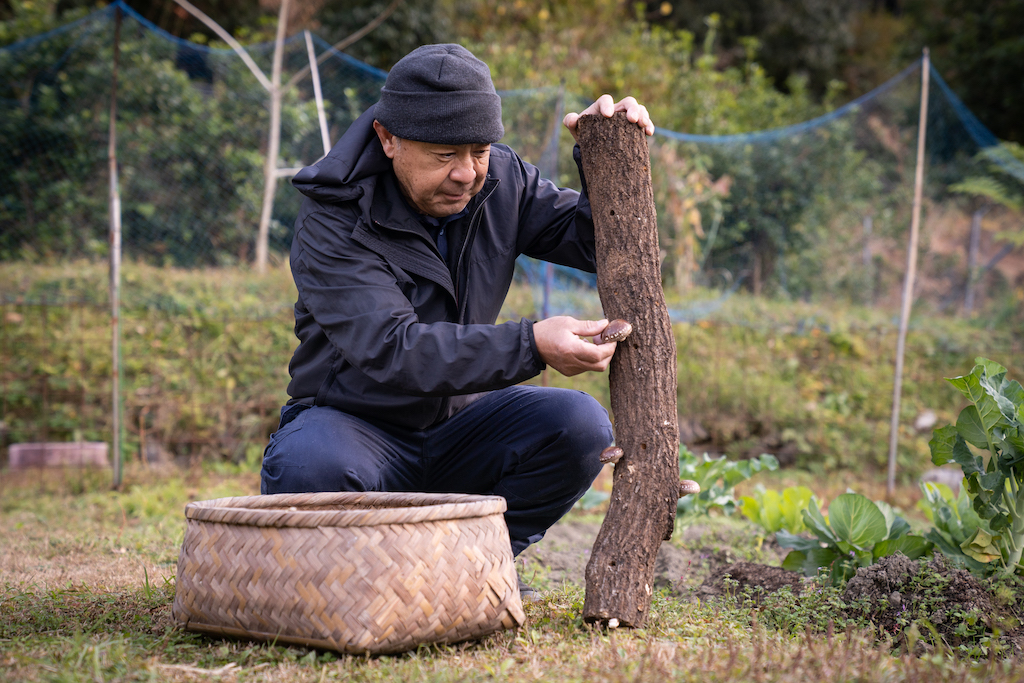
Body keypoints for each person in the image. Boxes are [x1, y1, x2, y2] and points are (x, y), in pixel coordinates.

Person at [260, 44, 654, 586]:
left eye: (479, 149)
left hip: (462, 426)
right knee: (310, 469)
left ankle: (472, 569)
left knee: (578, 427)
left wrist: (607, 152)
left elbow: (596, 243)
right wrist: (532, 345)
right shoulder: (334, 216)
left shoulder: (502, 180)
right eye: (444, 155)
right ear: (388, 138)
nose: (466, 173)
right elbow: (395, 349)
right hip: (354, 427)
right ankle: (368, 576)